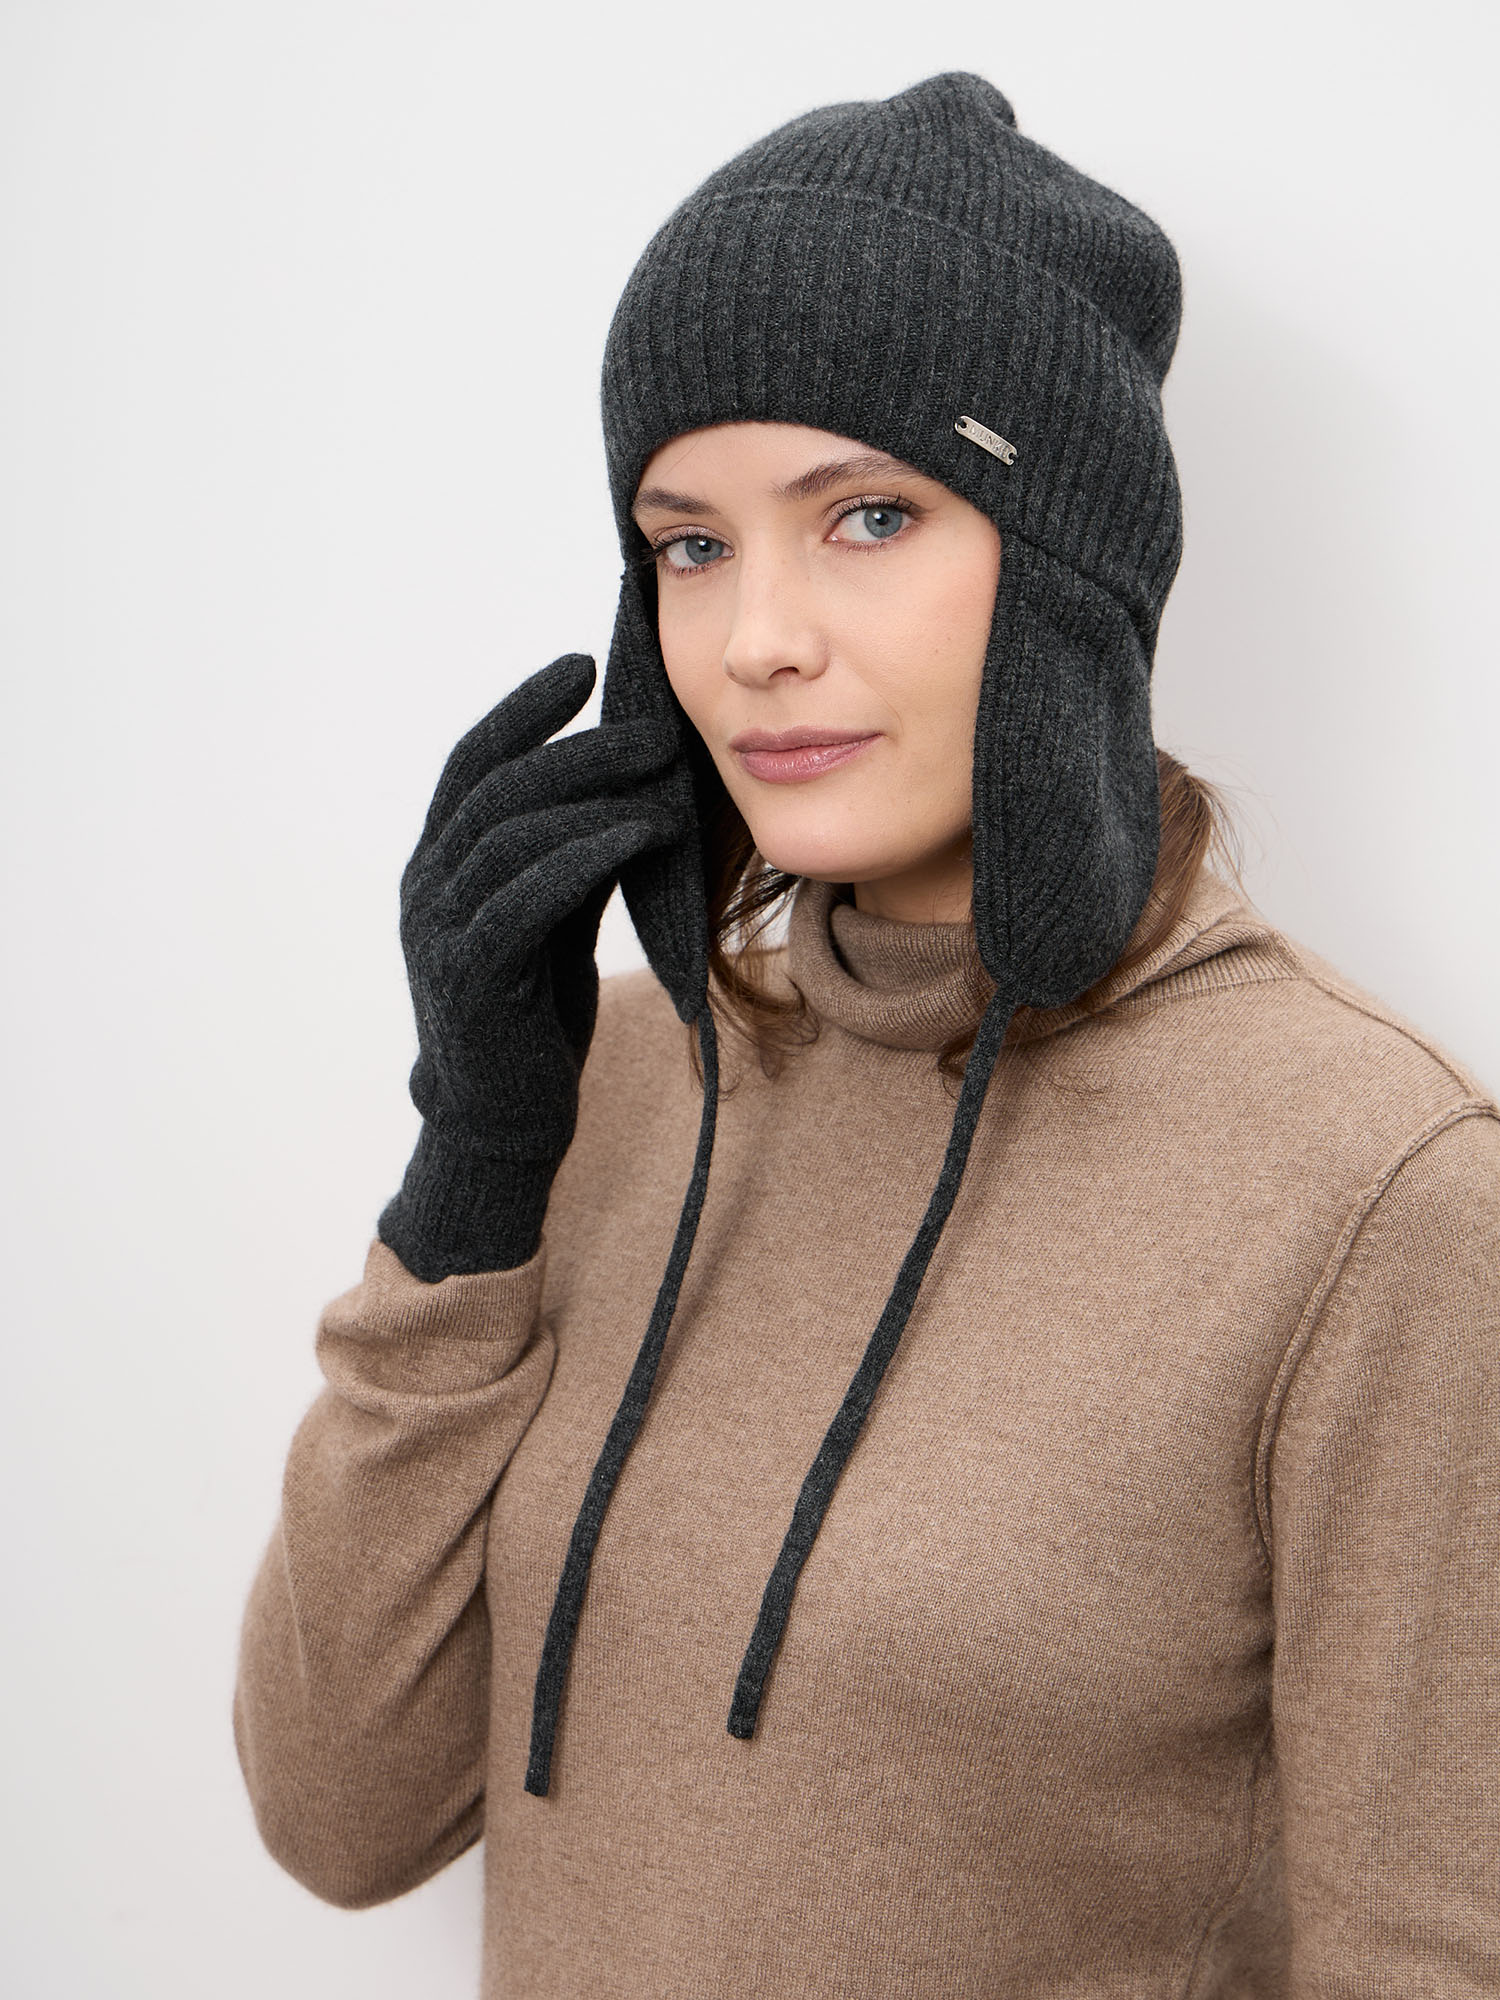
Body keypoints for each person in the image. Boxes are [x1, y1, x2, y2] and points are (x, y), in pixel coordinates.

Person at [233, 71, 1500, 1996]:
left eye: (870, 517)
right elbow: (342, 1819)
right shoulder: (613, 1087)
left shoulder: (1377, 1191)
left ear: (1064, 565)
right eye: (691, 545)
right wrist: (473, 1166)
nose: (756, 638)